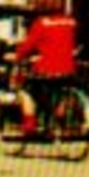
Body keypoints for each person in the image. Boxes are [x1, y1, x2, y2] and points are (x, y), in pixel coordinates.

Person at [11, 9, 78, 137]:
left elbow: (28, 46)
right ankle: (58, 118)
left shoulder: (42, 23)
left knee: (25, 90)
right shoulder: (71, 22)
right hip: (68, 69)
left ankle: (29, 125)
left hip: (47, 69)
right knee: (60, 90)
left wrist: (17, 56)